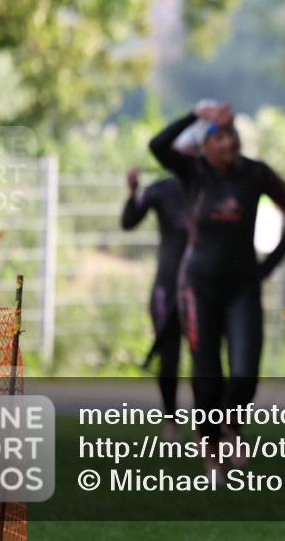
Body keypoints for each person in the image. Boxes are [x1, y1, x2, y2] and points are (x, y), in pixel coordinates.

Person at [149, 102, 285, 476]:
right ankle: (211, 448)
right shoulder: (191, 172)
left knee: (245, 375)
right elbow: (157, 145)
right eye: (221, 136)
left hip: (242, 287)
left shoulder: (253, 174)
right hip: (197, 289)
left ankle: (230, 425)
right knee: (207, 375)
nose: (230, 143)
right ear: (204, 145)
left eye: (233, 136)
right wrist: (196, 114)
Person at [120, 169, 188, 441]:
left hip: (204, 287)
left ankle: (209, 426)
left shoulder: (214, 185)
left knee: (206, 359)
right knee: (169, 358)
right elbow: (128, 221)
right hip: (167, 287)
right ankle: (171, 421)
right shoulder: (162, 189)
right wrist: (133, 193)